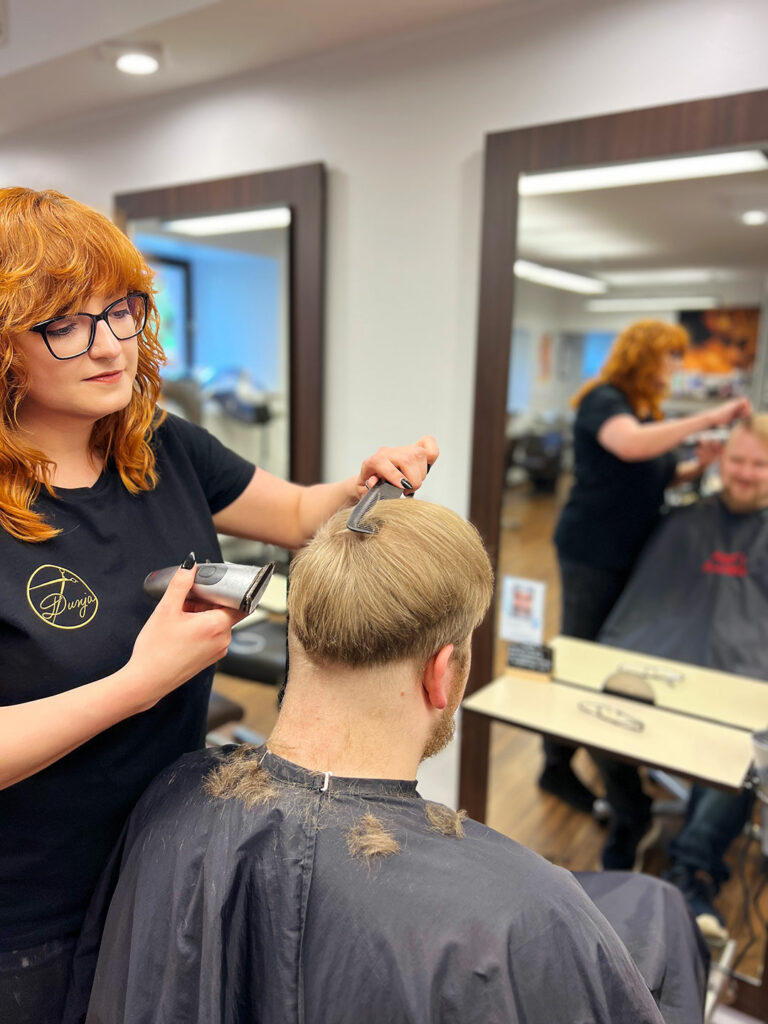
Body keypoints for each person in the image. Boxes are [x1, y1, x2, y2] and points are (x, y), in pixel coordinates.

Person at [0, 186, 437, 1024]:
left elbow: (304, 515)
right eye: (64, 322)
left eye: (121, 311)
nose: (110, 345)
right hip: (28, 916)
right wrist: (139, 682)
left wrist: (363, 482)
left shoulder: (161, 445)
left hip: (164, 862)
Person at [62, 499, 692, 1024]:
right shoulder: (530, 912)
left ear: (297, 635)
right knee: (656, 905)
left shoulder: (173, 795)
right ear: (442, 674)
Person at [542, 319, 750, 814]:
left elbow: (648, 475)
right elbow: (631, 446)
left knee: (616, 648)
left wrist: (695, 467)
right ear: (646, 355)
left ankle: (608, 751)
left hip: (633, 549)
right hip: (592, 551)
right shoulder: (604, 400)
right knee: (580, 655)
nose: (677, 367)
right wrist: (708, 418)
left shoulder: (643, 410)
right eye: (671, 356)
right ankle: (556, 764)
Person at [596, 416, 768, 938]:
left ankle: (690, 873)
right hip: (671, 671)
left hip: (750, 686)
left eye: (759, 464)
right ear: (721, 459)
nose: (744, 473)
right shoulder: (685, 523)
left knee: (747, 742)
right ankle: (631, 817)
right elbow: (644, 609)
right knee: (597, 711)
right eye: (737, 460)